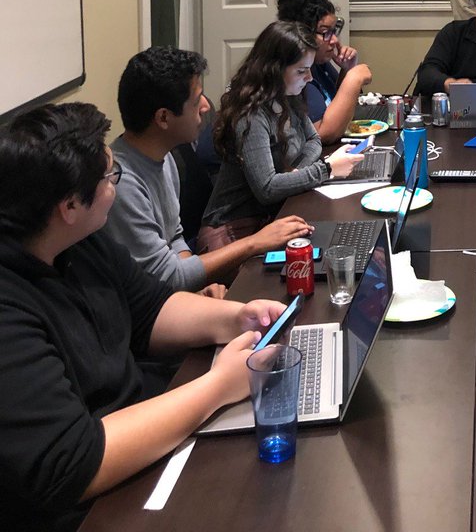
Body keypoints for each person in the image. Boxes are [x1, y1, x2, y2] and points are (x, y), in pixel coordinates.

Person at [0, 102, 287, 532]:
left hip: (142, 442)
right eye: (108, 178)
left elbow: (151, 308)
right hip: (87, 504)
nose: (114, 186)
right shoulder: (10, 305)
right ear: (69, 206)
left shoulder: (79, 241)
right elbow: (73, 465)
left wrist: (236, 317)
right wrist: (219, 386)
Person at [106, 47, 311, 292]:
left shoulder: (164, 156)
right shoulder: (122, 183)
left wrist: (197, 288)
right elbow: (166, 278)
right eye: (196, 100)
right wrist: (254, 242)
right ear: (163, 118)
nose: (205, 107)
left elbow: (174, 239)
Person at [198, 21, 358, 249]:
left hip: (270, 217)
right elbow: (267, 189)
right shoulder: (252, 116)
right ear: (273, 70)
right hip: (232, 231)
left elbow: (313, 140)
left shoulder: (289, 96)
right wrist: (327, 169)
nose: (310, 78)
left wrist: (298, 171)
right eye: (301, 71)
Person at [275, 0, 372, 144]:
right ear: (302, 34)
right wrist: (354, 78)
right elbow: (322, 133)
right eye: (325, 32)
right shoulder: (295, 74)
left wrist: (346, 70)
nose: (334, 40)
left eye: (334, 31)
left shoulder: (320, 63)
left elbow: (339, 107)